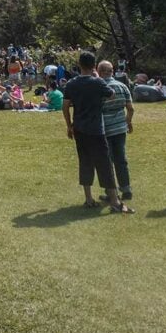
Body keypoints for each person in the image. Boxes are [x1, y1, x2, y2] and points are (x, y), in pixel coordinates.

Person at [62, 51, 133, 214]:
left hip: (79, 128)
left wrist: (69, 125)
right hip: (96, 129)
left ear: (79, 65)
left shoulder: (71, 84)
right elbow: (112, 95)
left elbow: (65, 106)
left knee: (85, 161)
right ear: (94, 66)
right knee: (105, 164)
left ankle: (88, 198)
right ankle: (115, 202)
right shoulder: (98, 82)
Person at [98, 60, 135, 201]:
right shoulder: (122, 86)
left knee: (107, 162)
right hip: (120, 128)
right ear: (112, 72)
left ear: (100, 72)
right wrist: (128, 122)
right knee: (121, 159)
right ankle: (126, 189)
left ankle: (111, 193)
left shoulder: (100, 88)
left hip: (105, 129)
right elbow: (130, 109)